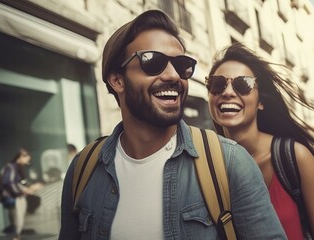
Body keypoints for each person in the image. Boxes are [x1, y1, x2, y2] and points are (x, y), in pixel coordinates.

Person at [59, 10, 286, 239]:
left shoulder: (231, 162)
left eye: (181, 65)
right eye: (153, 62)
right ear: (117, 80)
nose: (173, 75)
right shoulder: (83, 169)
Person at [206, 43, 314, 239]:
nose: (227, 92)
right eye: (217, 84)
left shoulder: (295, 157)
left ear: (261, 102)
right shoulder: (204, 168)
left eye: (243, 84)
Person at [0, 148, 43, 240]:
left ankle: (17, 234)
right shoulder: (12, 167)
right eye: (26, 160)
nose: (26, 162)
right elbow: (9, 182)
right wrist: (22, 192)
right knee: (18, 215)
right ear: (21, 157)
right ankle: (17, 235)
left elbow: (20, 182)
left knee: (16, 217)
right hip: (11, 196)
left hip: (12, 195)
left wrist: (30, 186)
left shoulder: (16, 168)